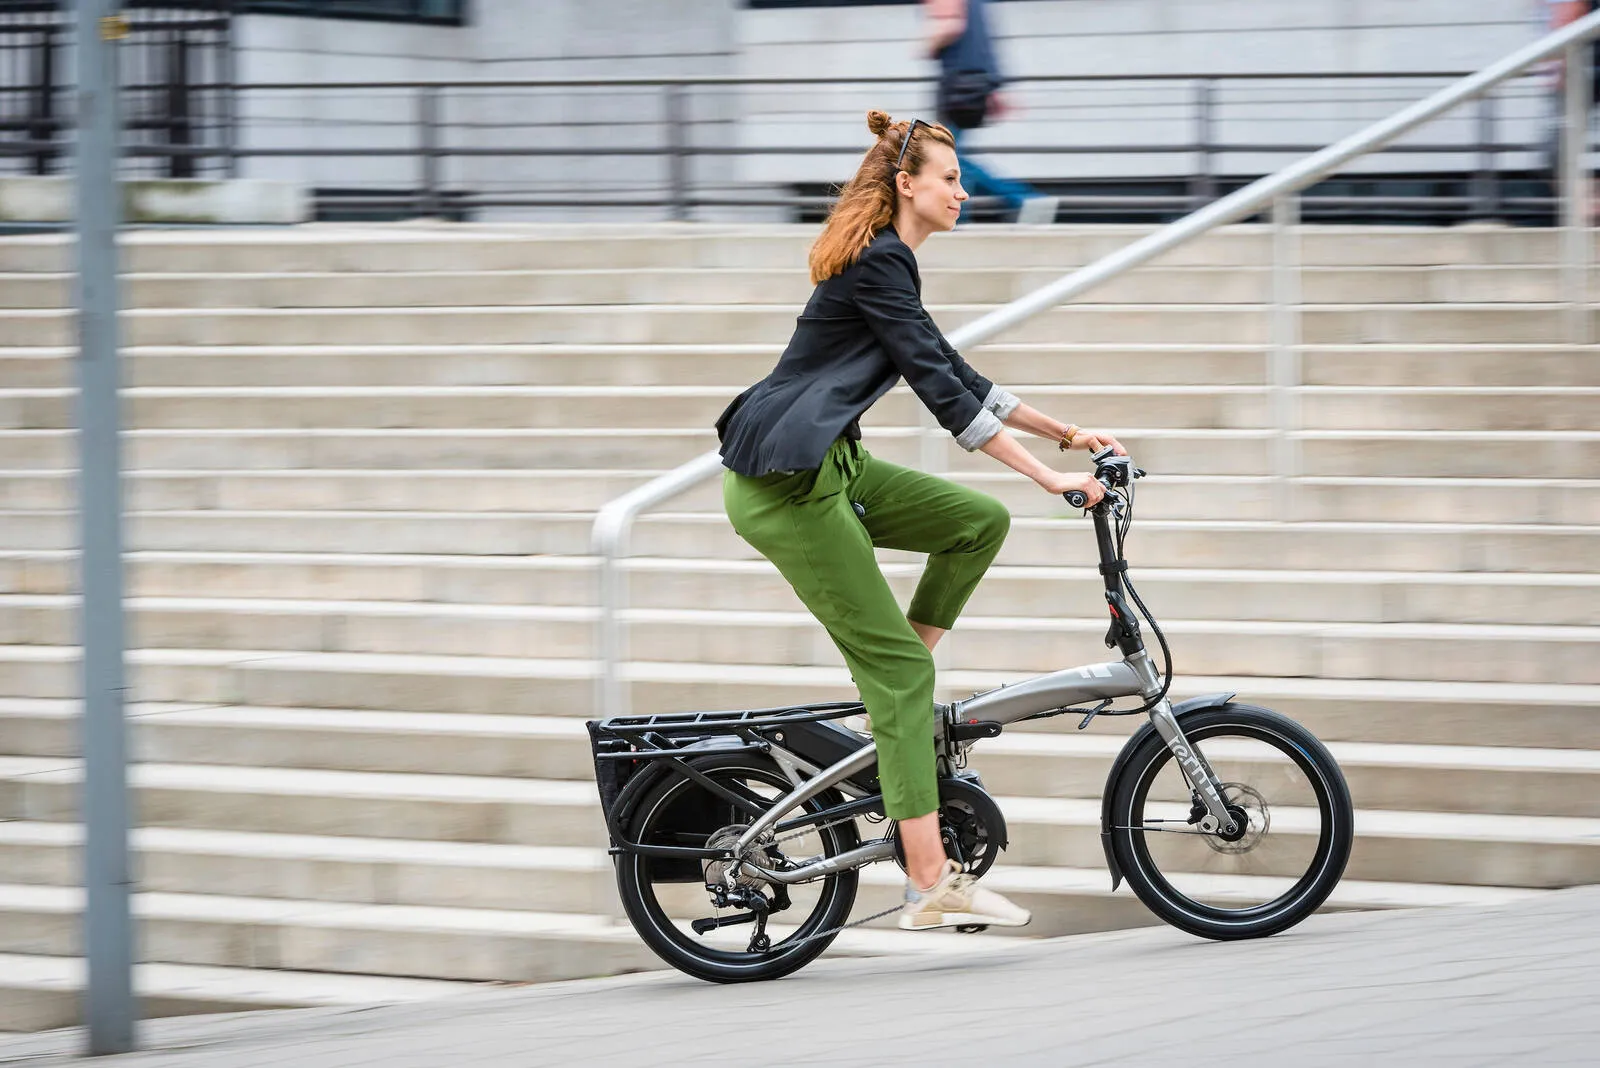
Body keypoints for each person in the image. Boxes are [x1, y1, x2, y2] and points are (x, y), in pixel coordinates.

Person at [714, 110, 1124, 931]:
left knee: (974, 523)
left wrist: (1068, 432)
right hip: (788, 488)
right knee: (905, 677)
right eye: (951, 180)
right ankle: (928, 884)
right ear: (908, 185)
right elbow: (944, 397)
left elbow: (952, 367)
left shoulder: (890, 265)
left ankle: (893, 695)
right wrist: (1051, 478)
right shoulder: (879, 264)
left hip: (838, 466)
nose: (963, 194)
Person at [922, 0, 1056, 224]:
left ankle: (1019, 199)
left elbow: (950, 26)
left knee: (949, 156)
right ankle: (1017, 200)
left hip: (958, 85)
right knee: (952, 155)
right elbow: (983, 42)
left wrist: (926, 46)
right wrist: (994, 86)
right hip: (973, 83)